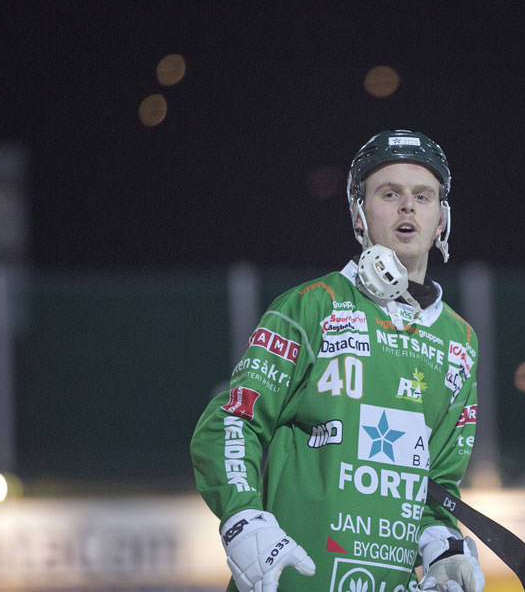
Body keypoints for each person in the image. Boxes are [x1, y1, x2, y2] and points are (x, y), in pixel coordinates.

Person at [191, 130, 485, 592]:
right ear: (358, 213)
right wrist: (243, 519)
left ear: (441, 219)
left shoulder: (459, 343)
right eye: (389, 194)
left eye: (423, 196)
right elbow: (232, 420)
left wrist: (443, 549)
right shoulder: (310, 307)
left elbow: (437, 487)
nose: (408, 207)